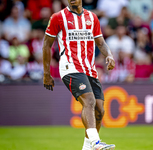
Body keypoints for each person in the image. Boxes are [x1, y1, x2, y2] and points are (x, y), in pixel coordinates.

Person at [42, 0, 115, 150]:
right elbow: (46, 44)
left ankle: (87, 148)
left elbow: (100, 42)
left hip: (89, 68)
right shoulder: (58, 17)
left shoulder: (92, 17)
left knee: (100, 111)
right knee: (89, 101)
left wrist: (110, 55)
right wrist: (46, 73)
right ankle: (95, 142)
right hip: (70, 67)